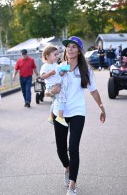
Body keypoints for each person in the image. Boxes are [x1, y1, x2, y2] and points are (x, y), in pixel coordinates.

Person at [49, 36, 106, 195]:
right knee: (61, 150)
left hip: (77, 112)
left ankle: (72, 185)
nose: (70, 49)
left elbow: (93, 90)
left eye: (74, 47)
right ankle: (67, 168)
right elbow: (49, 90)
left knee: (73, 148)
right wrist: (51, 91)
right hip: (59, 112)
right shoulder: (59, 67)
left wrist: (102, 108)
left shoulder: (85, 70)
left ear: (79, 51)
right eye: (68, 47)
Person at [40, 45, 68, 126]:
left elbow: (59, 74)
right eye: (55, 55)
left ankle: (51, 117)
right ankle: (60, 117)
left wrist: (63, 72)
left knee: (55, 102)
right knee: (62, 100)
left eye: (58, 54)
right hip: (52, 87)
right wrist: (49, 73)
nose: (57, 56)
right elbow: (42, 76)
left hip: (56, 86)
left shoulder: (56, 65)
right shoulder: (45, 66)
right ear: (47, 56)